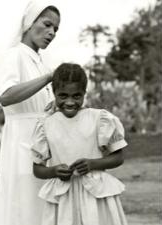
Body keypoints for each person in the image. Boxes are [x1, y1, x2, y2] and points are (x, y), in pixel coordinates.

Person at [0, 1, 61, 225]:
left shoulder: (38, 61)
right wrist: (48, 77)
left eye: (56, 29)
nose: (51, 33)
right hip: (21, 143)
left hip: (42, 145)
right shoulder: (14, 55)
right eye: (47, 24)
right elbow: (6, 96)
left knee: (42, 209)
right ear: (29, 23)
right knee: (23, 206)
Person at [31, 63, 129, 225]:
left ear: (84, 93)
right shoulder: (45, 125)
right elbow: (37, 169)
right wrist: (54, 170)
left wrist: (92, 164)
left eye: (76, 96)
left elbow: (118, 157)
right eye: (63, 96)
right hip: (63, 197)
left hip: (96, 195)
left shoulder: (100, 119)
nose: (69, 102)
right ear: (54, 93)